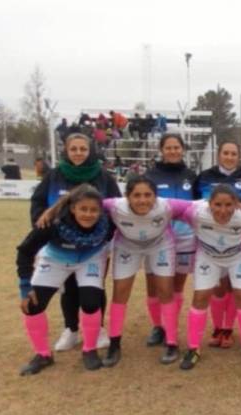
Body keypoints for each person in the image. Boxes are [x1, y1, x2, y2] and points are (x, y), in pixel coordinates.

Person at [37, 175, 192, 366]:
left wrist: (239, 207)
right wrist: (52, 211)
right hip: (127, 247)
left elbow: (199, 206)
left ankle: (171, 342)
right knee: (120, 294)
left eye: (148, 195)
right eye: (136, 195)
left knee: (165, 292)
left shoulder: (167, 205)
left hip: (160, 246)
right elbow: (76, 198)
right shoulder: (114, 205)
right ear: (127, 196)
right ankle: (115, 343)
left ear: (156, 196)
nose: (142, 200)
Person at [30, 133, 121, 352]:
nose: (78, 153)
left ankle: (97, 329)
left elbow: (116, 208)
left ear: (90, 151)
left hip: (95, 247)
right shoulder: (54, 175)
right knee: (68, 288)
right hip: (60, 247)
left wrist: (106, 237)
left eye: (83, 149)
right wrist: (42, 227)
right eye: (74, 149)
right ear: (67, 151)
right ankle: (71, 329)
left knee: (93, 289)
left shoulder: (103, 177)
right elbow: (38, 203)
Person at [16, 184, 114, 375]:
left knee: (91, 302)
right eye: (83, 209)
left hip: (89, 259)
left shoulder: (108, 223)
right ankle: (42, 354)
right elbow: (24, 251)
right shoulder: (52, 223)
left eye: (94, 210)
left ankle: (90, 349)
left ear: (101, 211)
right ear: (72, 208)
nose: (88, 214)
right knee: (33, 305)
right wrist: (25, 286)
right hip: (56, 259)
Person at [178, 185, 241, 370]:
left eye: (228, 205)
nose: (223, 210)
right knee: (200, 298)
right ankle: (193, 348)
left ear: (236, 205)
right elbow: (168, 206)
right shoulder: (196, 212)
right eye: (218, 205)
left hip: (239, 257)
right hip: (208, 257)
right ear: (209, 204)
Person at [195, 141, 241, 348]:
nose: (229, 156)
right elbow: (195, 206)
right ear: (219, 155)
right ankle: (217, 328)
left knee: (236, 288)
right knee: (217, 288)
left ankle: (228, 329)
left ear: (239, 156)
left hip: (239, 241)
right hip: (210, 241)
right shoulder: (205, 177)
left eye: (233, 153)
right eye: (226, 153)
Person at [143, 134, 199, 348]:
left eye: (177, 147)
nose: (173, 151)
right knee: (153, 286)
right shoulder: (150, 176)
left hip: (185, 237)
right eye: (169, 147)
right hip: (155, 238)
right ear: (161, 149)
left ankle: (171, 325)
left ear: (182, 149)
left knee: (176, 287)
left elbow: (198, 207)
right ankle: (158, 326)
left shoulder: (192, 176)